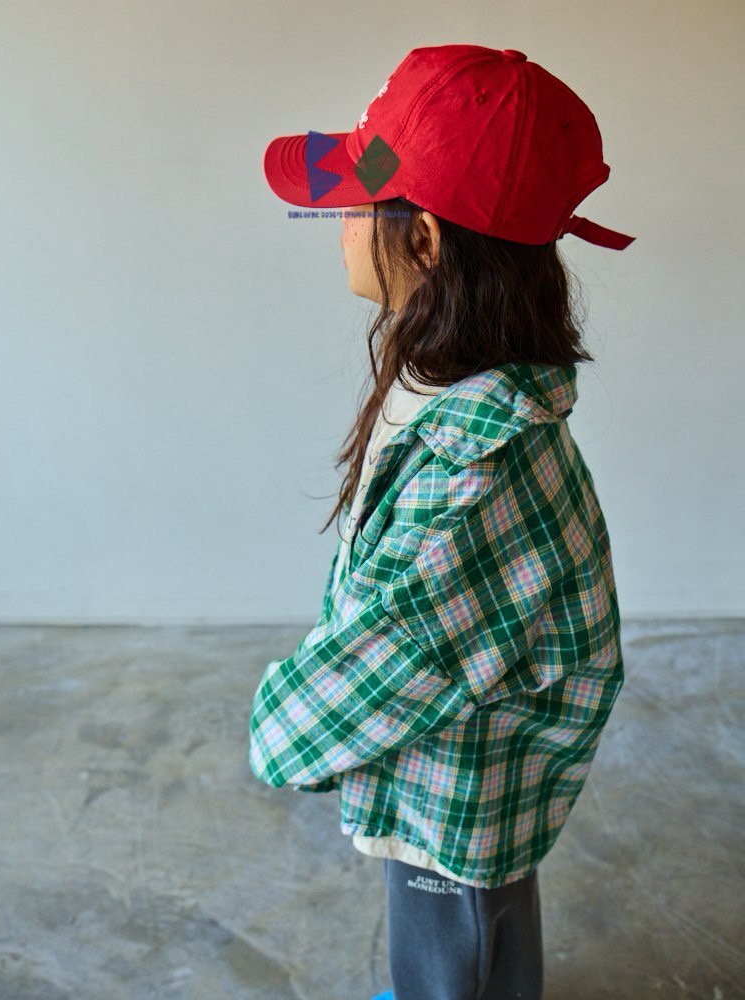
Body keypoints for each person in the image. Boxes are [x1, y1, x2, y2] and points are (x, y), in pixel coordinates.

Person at [250, 43, 635, 1000]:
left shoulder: (476, 474)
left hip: (456, 782)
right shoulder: (470, 387)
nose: (339, 221)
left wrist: (278, 731)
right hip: (472, 760)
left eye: (357, 200)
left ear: (423, 240)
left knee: (445, 934)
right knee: (489, 921)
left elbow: (404, 649)